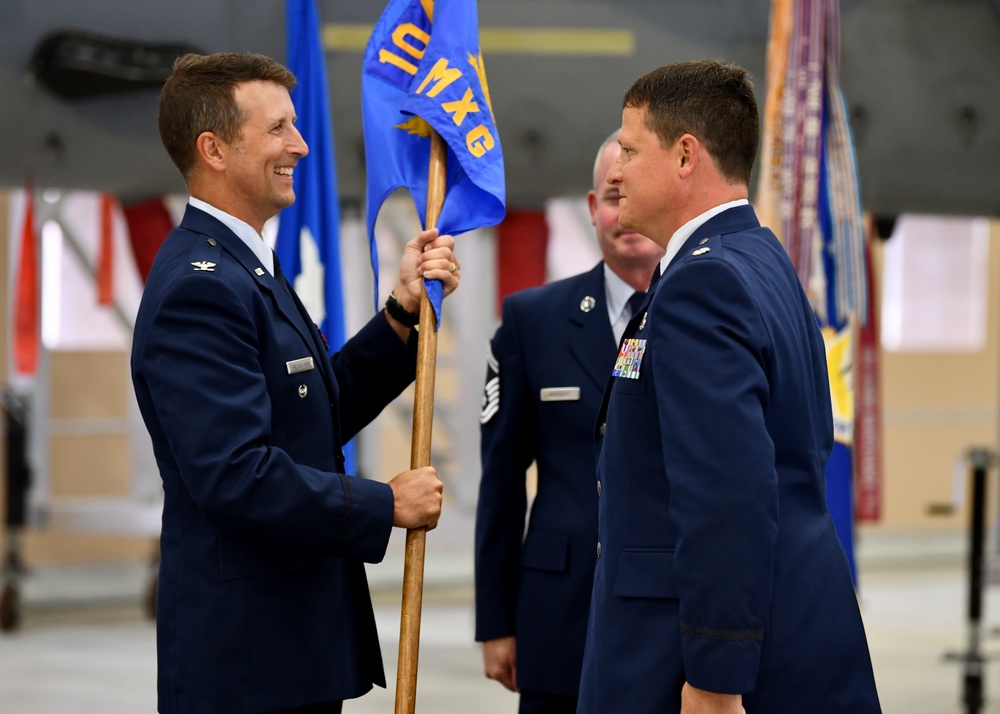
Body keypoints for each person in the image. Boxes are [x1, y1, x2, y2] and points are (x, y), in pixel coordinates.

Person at [131, 52, 457, 714]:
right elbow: (235, 474)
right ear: (214, 149)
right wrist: (382, 504)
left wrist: (398, 315)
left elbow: (311, 412)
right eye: (278, 128)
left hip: (287, 651)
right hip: (249, 664)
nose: (301, 145)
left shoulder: (244, 267)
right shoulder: (200, 289)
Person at [578, 60, 882, 714]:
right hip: (796, 617)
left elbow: (728, 490)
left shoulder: (700, 286)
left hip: (700, 664)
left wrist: (715, 680)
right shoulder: (762, 259)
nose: (615, 171)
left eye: (630, 149)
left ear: (686, 155)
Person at [475, 132, 664, 714]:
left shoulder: (699, 315)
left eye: (632, 195)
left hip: (664, 614)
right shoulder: (532, 320)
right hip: (557, 617)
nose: (622, 213)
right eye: (611, 197)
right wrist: (496, 621)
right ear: (591, 209)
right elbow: (501, 484)